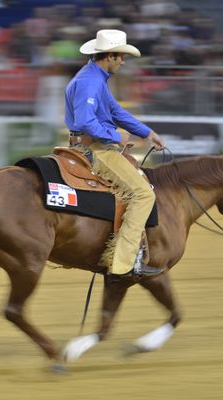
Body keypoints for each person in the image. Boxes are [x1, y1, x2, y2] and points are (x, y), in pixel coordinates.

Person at [64, 29, 166, 280]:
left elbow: (116, 112)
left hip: (91, 145)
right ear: (109, 56)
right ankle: (123, 263)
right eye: (121, 56)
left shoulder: (95, 78)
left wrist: (147, 132)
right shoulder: (90, 82)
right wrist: (115, 137)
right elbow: (85, 121)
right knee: (143, 194)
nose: (123, 61)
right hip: (95, 149)